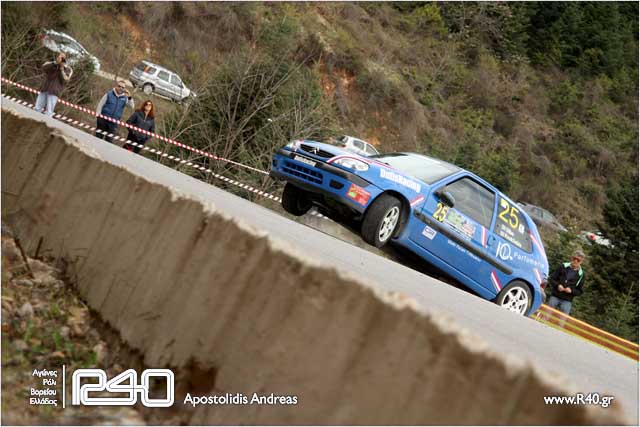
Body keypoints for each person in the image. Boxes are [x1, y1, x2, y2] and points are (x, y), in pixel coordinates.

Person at [547, 249, 586, 316]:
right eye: (574, 258)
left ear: (581, 262)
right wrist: (558, 285)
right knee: (546, 315)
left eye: (578, 260)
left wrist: (571, 291)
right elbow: (552, 278)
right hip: (555, 296)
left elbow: (580, 291)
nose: (575, 261)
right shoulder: (562, 266)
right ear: (571, 258)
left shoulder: (581, 275)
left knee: (562, 320)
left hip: (567, 301)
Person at [35, 52, 73, 116]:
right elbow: (44, 68)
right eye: (60, 57)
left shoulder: (68, 69)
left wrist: (62, 69)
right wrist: (55, 64)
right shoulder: (52, 63)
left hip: (54, 91)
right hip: (45, 88)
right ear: (57, 57)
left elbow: (66, 79)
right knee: (37, 108)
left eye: (63, 58)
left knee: (49, 112)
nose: (61, 59)